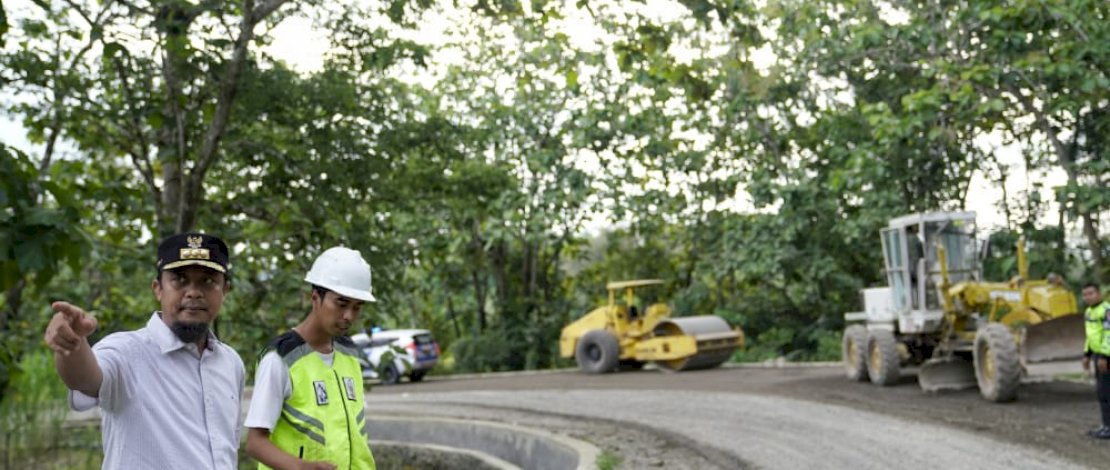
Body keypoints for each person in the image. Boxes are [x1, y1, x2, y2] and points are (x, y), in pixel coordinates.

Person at [43, 233, 245, 469]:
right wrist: (73, 346)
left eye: (207, 281)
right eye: (179, 280)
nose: (193, 292)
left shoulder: (231, 363)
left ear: (225, 291)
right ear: (158, 289)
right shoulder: (127, 351)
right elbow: (85, 379)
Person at [245, 246, 377, 470]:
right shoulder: (281, 359)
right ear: (315, 298)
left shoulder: (349, 353)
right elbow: (255, 443)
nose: (349, 316)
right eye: (341, 304)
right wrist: (300, 466)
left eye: (357, 307)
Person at [1082, 282, 1110, 439]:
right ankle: (1106, 425)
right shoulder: (1089, 312)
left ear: (1099, 293)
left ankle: (1108, 428)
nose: (1088, 297)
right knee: (1102, 392)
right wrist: (1087, 355)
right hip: (1097, 355)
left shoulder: (1106, 311)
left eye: (1091, 293)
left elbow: (1109, 334)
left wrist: (1105, 357)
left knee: (1106, 392)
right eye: (1085, 294)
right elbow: (1091, 335)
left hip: (1106, 356)